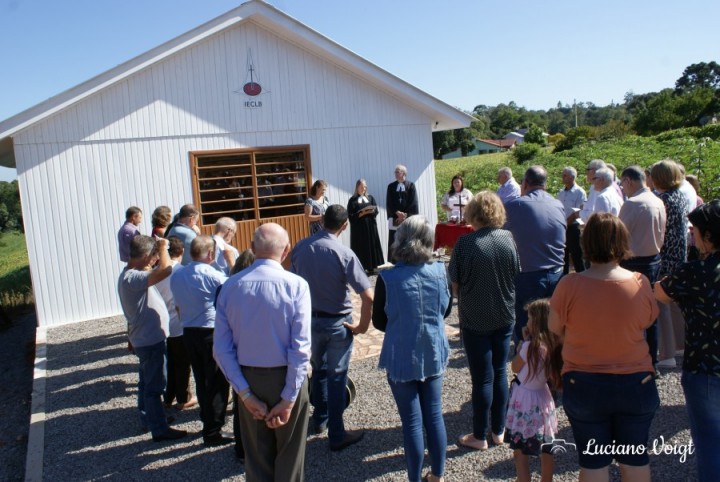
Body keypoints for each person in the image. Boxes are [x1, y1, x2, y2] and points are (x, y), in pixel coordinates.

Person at [549, 213, 659, 482]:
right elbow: (648, 320)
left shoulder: (569, 284)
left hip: (584, 382)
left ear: (586, 244)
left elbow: (554, 327)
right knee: (635, 459)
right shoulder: (640, 282)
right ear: (622, 241)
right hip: (636, 381)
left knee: (594, 462)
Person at [214, 223, 311, 481]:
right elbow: (300, 348)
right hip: (288, 375)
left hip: (248, 377)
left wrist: (244, 393)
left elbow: (221, 349)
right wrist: (289, 398)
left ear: (252, 248)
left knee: (256, 461)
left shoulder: (230, 287)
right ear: (287, 250)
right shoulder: (297, 285)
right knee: (290, 459)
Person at [372, 215, 451, 482]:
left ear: (401, 240)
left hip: (402, 352)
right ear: (428, 241)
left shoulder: (387, 278)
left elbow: (379, 322)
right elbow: (446, 310)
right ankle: (438, 474)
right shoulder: (441, 271)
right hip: (432, 349)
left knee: (413, 422)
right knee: (434, 414)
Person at [291, 205, 373, 451]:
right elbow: (368, 296)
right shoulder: (343, 252)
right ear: (345, 225)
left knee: (318, 370)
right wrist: (362, 325)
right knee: (337, 377)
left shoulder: (301, 247)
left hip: (310, 321)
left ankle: (320, 419)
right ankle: (336, 434)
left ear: (323, 220)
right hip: (337, 322)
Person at [449, 191, 520, 451]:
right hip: (504, 313)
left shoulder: (465, 244)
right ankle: (499, 430)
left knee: (482, 379)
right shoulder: (508, 238)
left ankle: (479, 435)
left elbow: (454, 285)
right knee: (500, 370)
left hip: (476, 318)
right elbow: (515, 272)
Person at [655, 200, 720, 482]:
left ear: (708, 236)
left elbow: (659, 292)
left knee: (709, 443)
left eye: (695, 230)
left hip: (705, 369)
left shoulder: (695, 272)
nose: (690, 234)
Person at [117, 235, 187, 442]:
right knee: (155, 386)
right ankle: (159, 428)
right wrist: (164, 246)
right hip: (150, 341)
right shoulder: (133, 278)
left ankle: (149, 418)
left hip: (145, 338)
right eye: (154, 256)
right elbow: (166, 270)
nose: (156, 260)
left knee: (146, 382)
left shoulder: (132, 275)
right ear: (146, 256)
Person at [170, 235, 231, 446]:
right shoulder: (215, 276)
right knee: (216, 381)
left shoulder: (177, 276)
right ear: (211, 254)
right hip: (210, 332)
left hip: (188, 331)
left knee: (201, 378)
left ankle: (206, 418)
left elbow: (177, 305)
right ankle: (213, 430)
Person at [504, 166, 566, 344]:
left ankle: (526, 369)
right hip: (557, 274)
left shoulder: (516, 205)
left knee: (527, 331)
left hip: (528, 276)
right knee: (553, 330)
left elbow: (500, 233)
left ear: (525, 183)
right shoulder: (558, 204)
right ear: (545, 184)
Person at [506, 299, 562, 482]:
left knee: (520, 450)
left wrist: (522, 344)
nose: (527, 322)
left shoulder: (529, 347)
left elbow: (515, 367)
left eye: (530, 319)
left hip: (525, 399)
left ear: (537, 322)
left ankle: (523, 479)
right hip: (543, 397)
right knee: (546, 446)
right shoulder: (552, 345)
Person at [618, 166, 666, 367]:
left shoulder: (633, 204)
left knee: (627, 313)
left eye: (622, 184)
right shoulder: (658, 200)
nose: (622, 188)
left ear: (629, 181)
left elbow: (618, 235)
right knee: (650, 311)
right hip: (654, 258)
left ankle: (630, 358)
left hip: (633, 261)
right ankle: (651, 359)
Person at [650, 160, 688, 368]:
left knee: (661, 303)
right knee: (674, 303)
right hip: (678, 255)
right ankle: (680, 344)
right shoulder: (679, 196)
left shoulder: (662, 199)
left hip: (665, 256)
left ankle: (666, 353)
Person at [154, 236, 196, 411]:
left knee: (170, 362)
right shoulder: (181, 271)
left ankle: (168, 396)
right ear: (182, 252)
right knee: (182, 363)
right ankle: (183, 397)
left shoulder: (156, 271)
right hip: (178, 323)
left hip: (161, 323)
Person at [347, 179, 385, 273]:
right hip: (359, 229)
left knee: (371, 245)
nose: (363, 189)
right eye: (361, 187)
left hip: (370, 227)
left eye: (365, 187)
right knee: (361, 247)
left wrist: (372, 211)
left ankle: (372, 267)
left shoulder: (370, 198)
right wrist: (361, 213)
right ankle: (361, 268)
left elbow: (376, 210)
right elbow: (351, 215)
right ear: (357, 187)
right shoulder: (352, 200)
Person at [557, 167, 586, 274]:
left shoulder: (579, 192)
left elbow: (577, 212)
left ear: (572, 177)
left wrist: (566, 223)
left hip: (573, 227)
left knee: (576, 255)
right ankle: (563, 279)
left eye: (565, 175)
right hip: (563, 226)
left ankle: (582, 278)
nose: (562, 177)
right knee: (563, 256)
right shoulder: (561, 193)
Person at [386, 164, 419, 258]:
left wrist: (405, 215)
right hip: (395, 218)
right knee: (395, 240)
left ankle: (409, 259)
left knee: (407, 239)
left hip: (407, 219)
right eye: (395, 172)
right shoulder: (391, 186)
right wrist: (397, 213)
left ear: (403, 173)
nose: (395, 174)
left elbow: (414, 203)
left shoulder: (411, 186)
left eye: (397, 171)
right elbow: (389, 202)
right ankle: (394, 261)